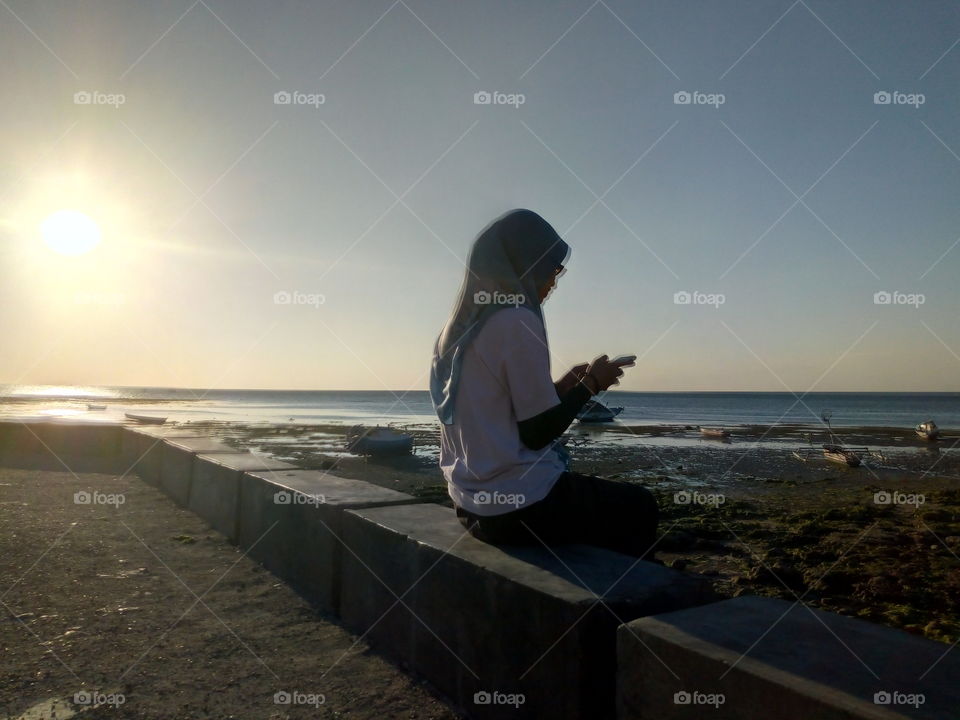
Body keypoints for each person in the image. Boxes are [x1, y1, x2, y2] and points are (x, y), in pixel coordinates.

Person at [429, 209, 659, 559]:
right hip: (520, 508)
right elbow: (536, 432)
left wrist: (564, 386)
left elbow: (496, 411)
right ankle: (616, 607)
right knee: (641, 507)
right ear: (525, 263)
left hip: (469, 504)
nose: (554, 280)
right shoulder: (518, 320)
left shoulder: (454, 332)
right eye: (551, 268)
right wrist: (592, 385)